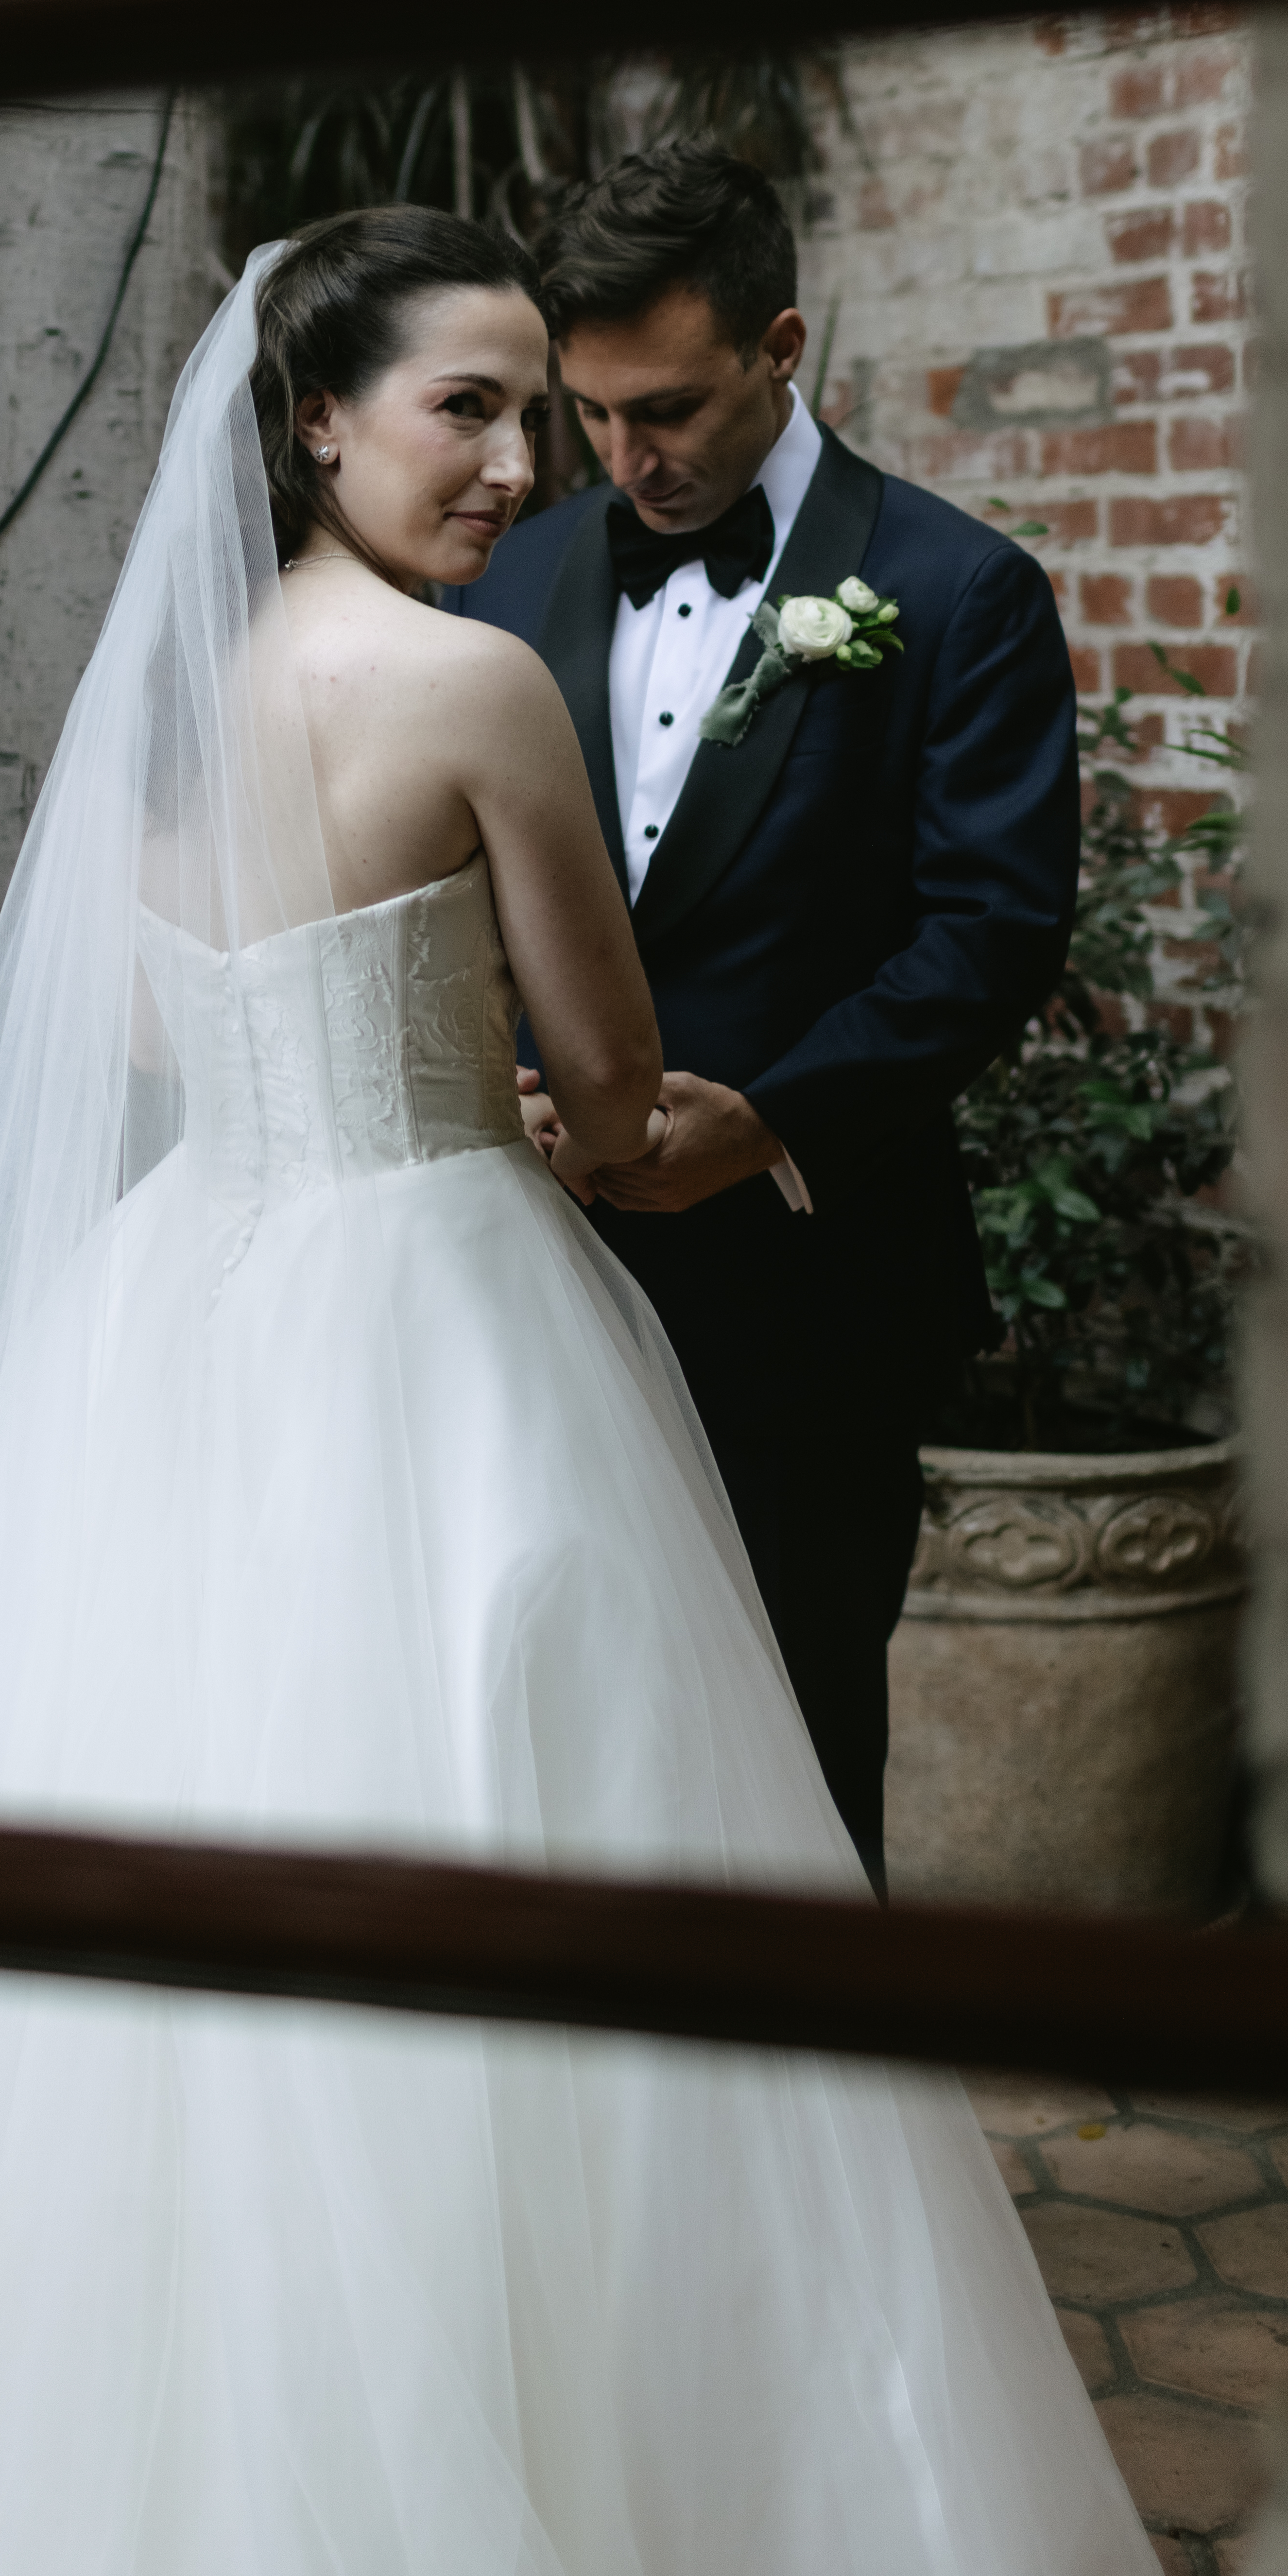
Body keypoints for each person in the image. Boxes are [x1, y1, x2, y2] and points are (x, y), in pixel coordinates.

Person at [0, 210, 1226, 2576]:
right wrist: (565, 1127)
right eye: (472, 412)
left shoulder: (161, 703)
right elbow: (622, 1089)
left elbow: (117, 1037)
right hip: (439, 1319)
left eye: (543, 414)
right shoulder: (477, 683)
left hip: (183, 1320)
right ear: (316, 419)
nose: (528, 466)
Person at [448, 144, 1078, 1885]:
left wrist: (772, 1116)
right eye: (589, 414)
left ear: (783, 345)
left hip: (814, 1295)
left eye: (668, 409)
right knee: (563, 1744)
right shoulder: (511, 580)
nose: (624, 458)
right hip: (537, 1281)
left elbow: (992, 933)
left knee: (797, 1756)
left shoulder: (960, 595)